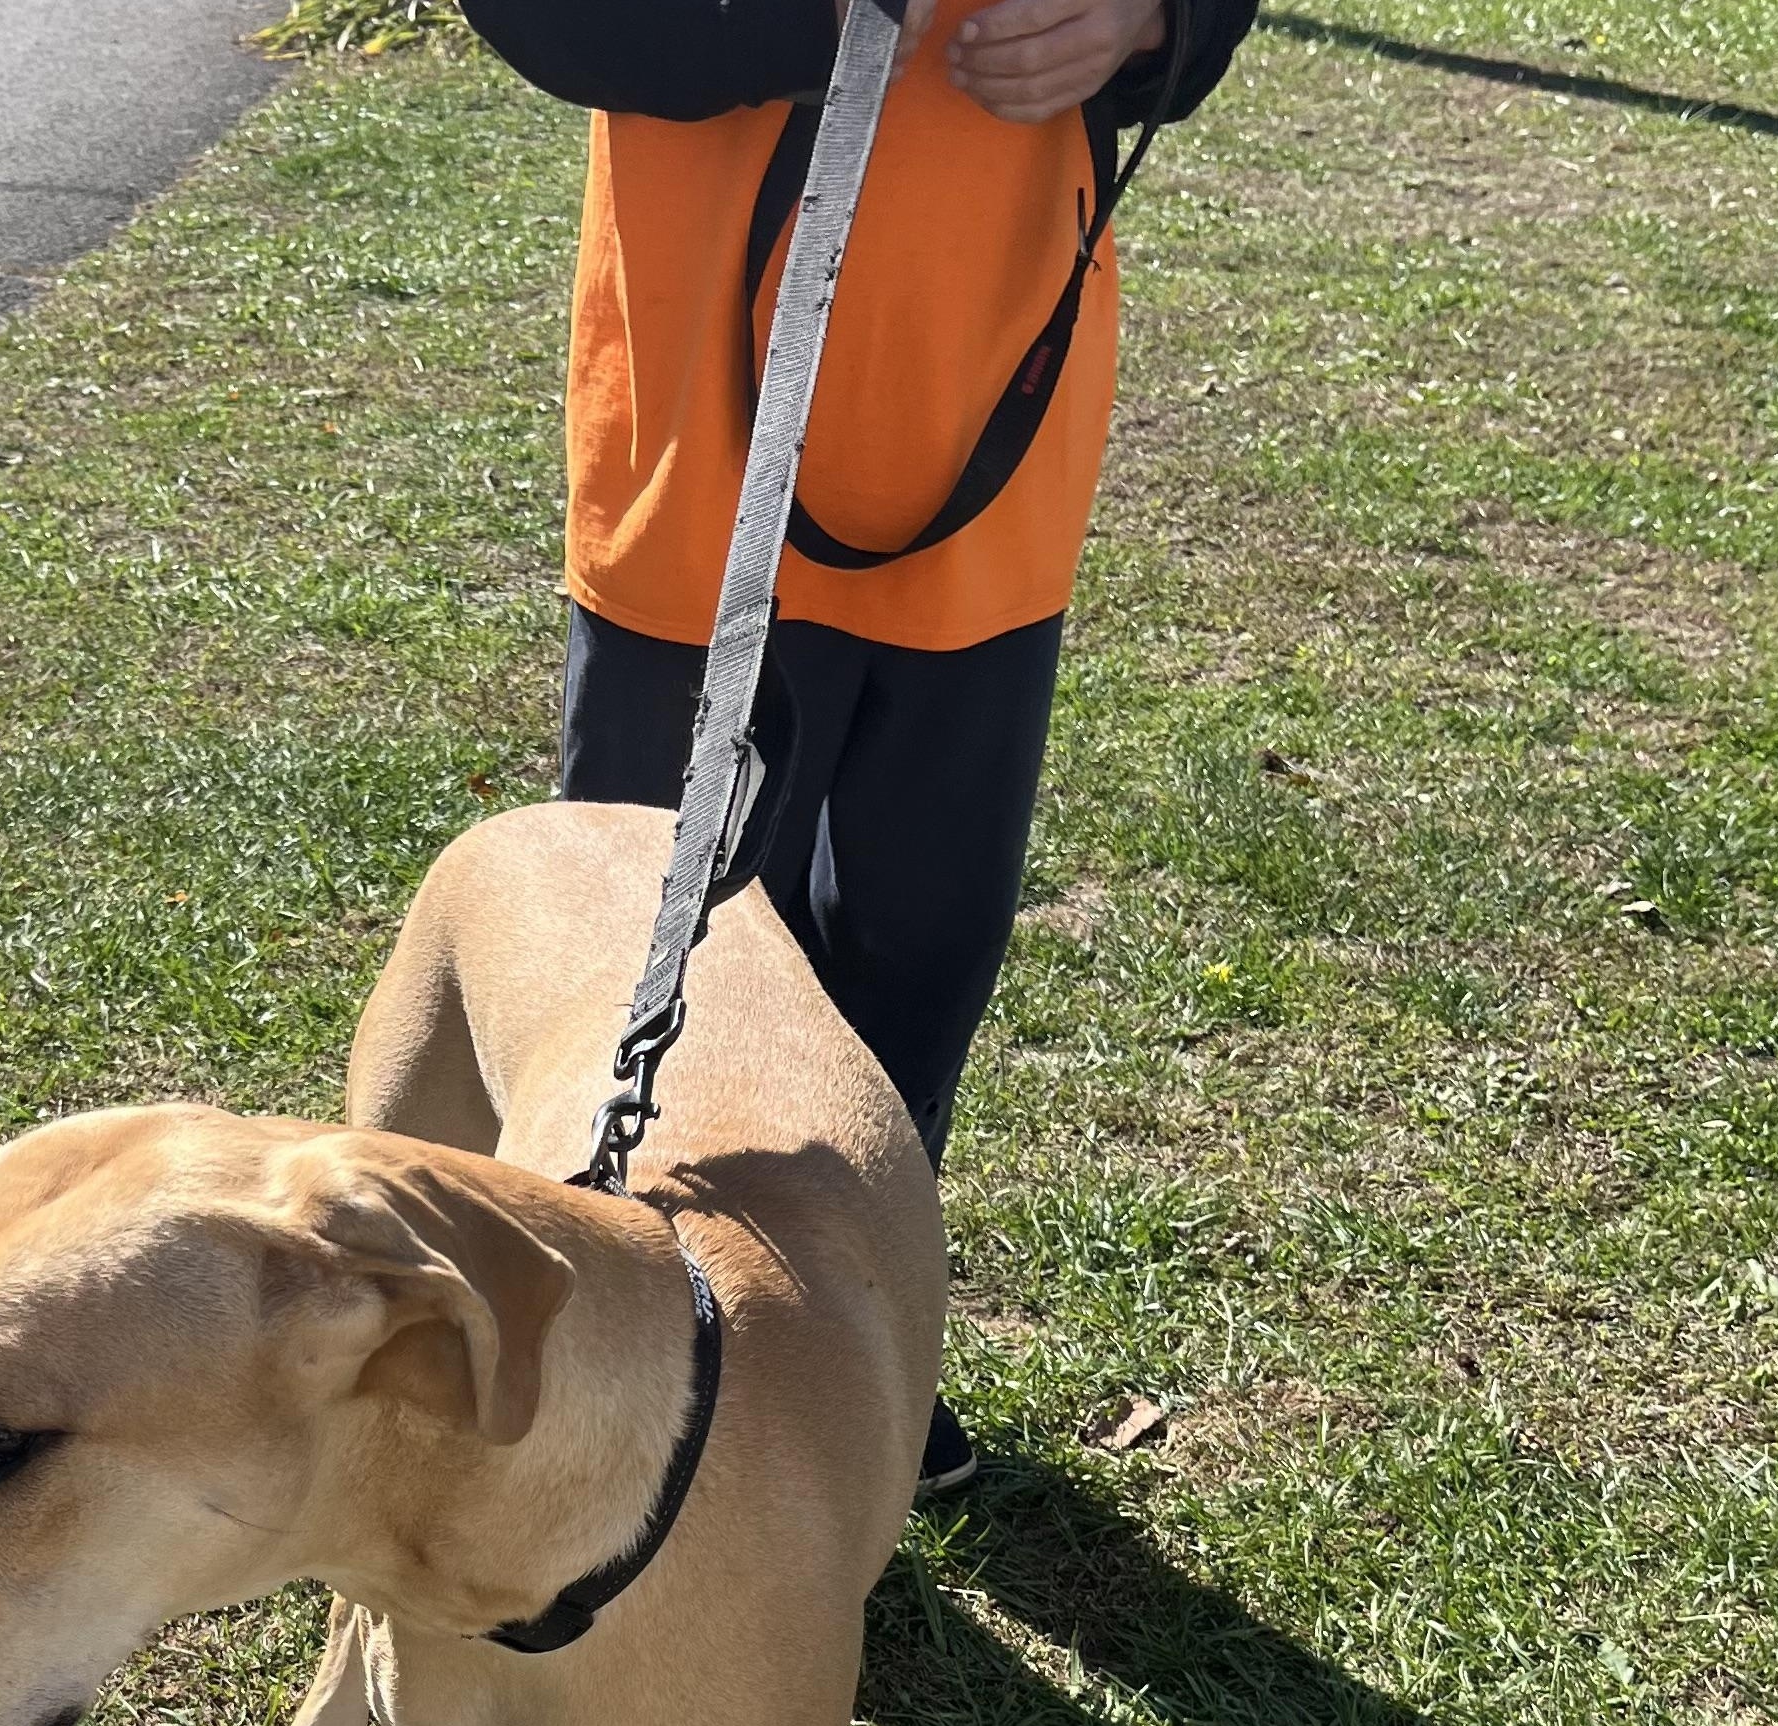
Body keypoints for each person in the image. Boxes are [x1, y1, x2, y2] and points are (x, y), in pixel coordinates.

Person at [458, 0, 1258, 1489]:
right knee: (650, 974)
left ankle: (843, 1351)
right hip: (705, 491)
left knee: (918, 960)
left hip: (989, 465)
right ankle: (606, 1379)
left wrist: (1156, 23)